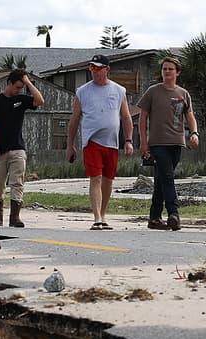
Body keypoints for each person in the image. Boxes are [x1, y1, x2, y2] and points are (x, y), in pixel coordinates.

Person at [66, 54, 133, 230]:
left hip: (112, 142)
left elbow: (126, 117)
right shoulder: (83, 91)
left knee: (108, 180)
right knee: (95, 178)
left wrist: (128, 140)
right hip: (92, 141)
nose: (94, 72)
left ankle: (103, 215)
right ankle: (96, 218)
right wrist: (70, 145)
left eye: (98, 68)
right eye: (92, 68)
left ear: (107, 70)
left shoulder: (119, 91)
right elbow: (74, 119)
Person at [137, 57, 199, 231]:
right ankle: (174, 213)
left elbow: (190, 116)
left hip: (177, 142)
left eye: (170, 69)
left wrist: (194, 133)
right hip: (157, 143)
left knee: (161, 179)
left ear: (177, 72)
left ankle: (154, 218)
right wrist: (143, 142)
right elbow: (142, 117)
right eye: (164, 69)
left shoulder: (183, 93)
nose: (167, 72)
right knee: (168, 176)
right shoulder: (153, 91)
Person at [0, 68, 45, 227]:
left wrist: (28, 82)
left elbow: (39, 101)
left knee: (17, 182)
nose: (19, 90)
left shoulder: (22, 100)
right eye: (17, 87)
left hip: (17, 148)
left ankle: (15, 217)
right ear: (9, 83)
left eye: (21, 88)